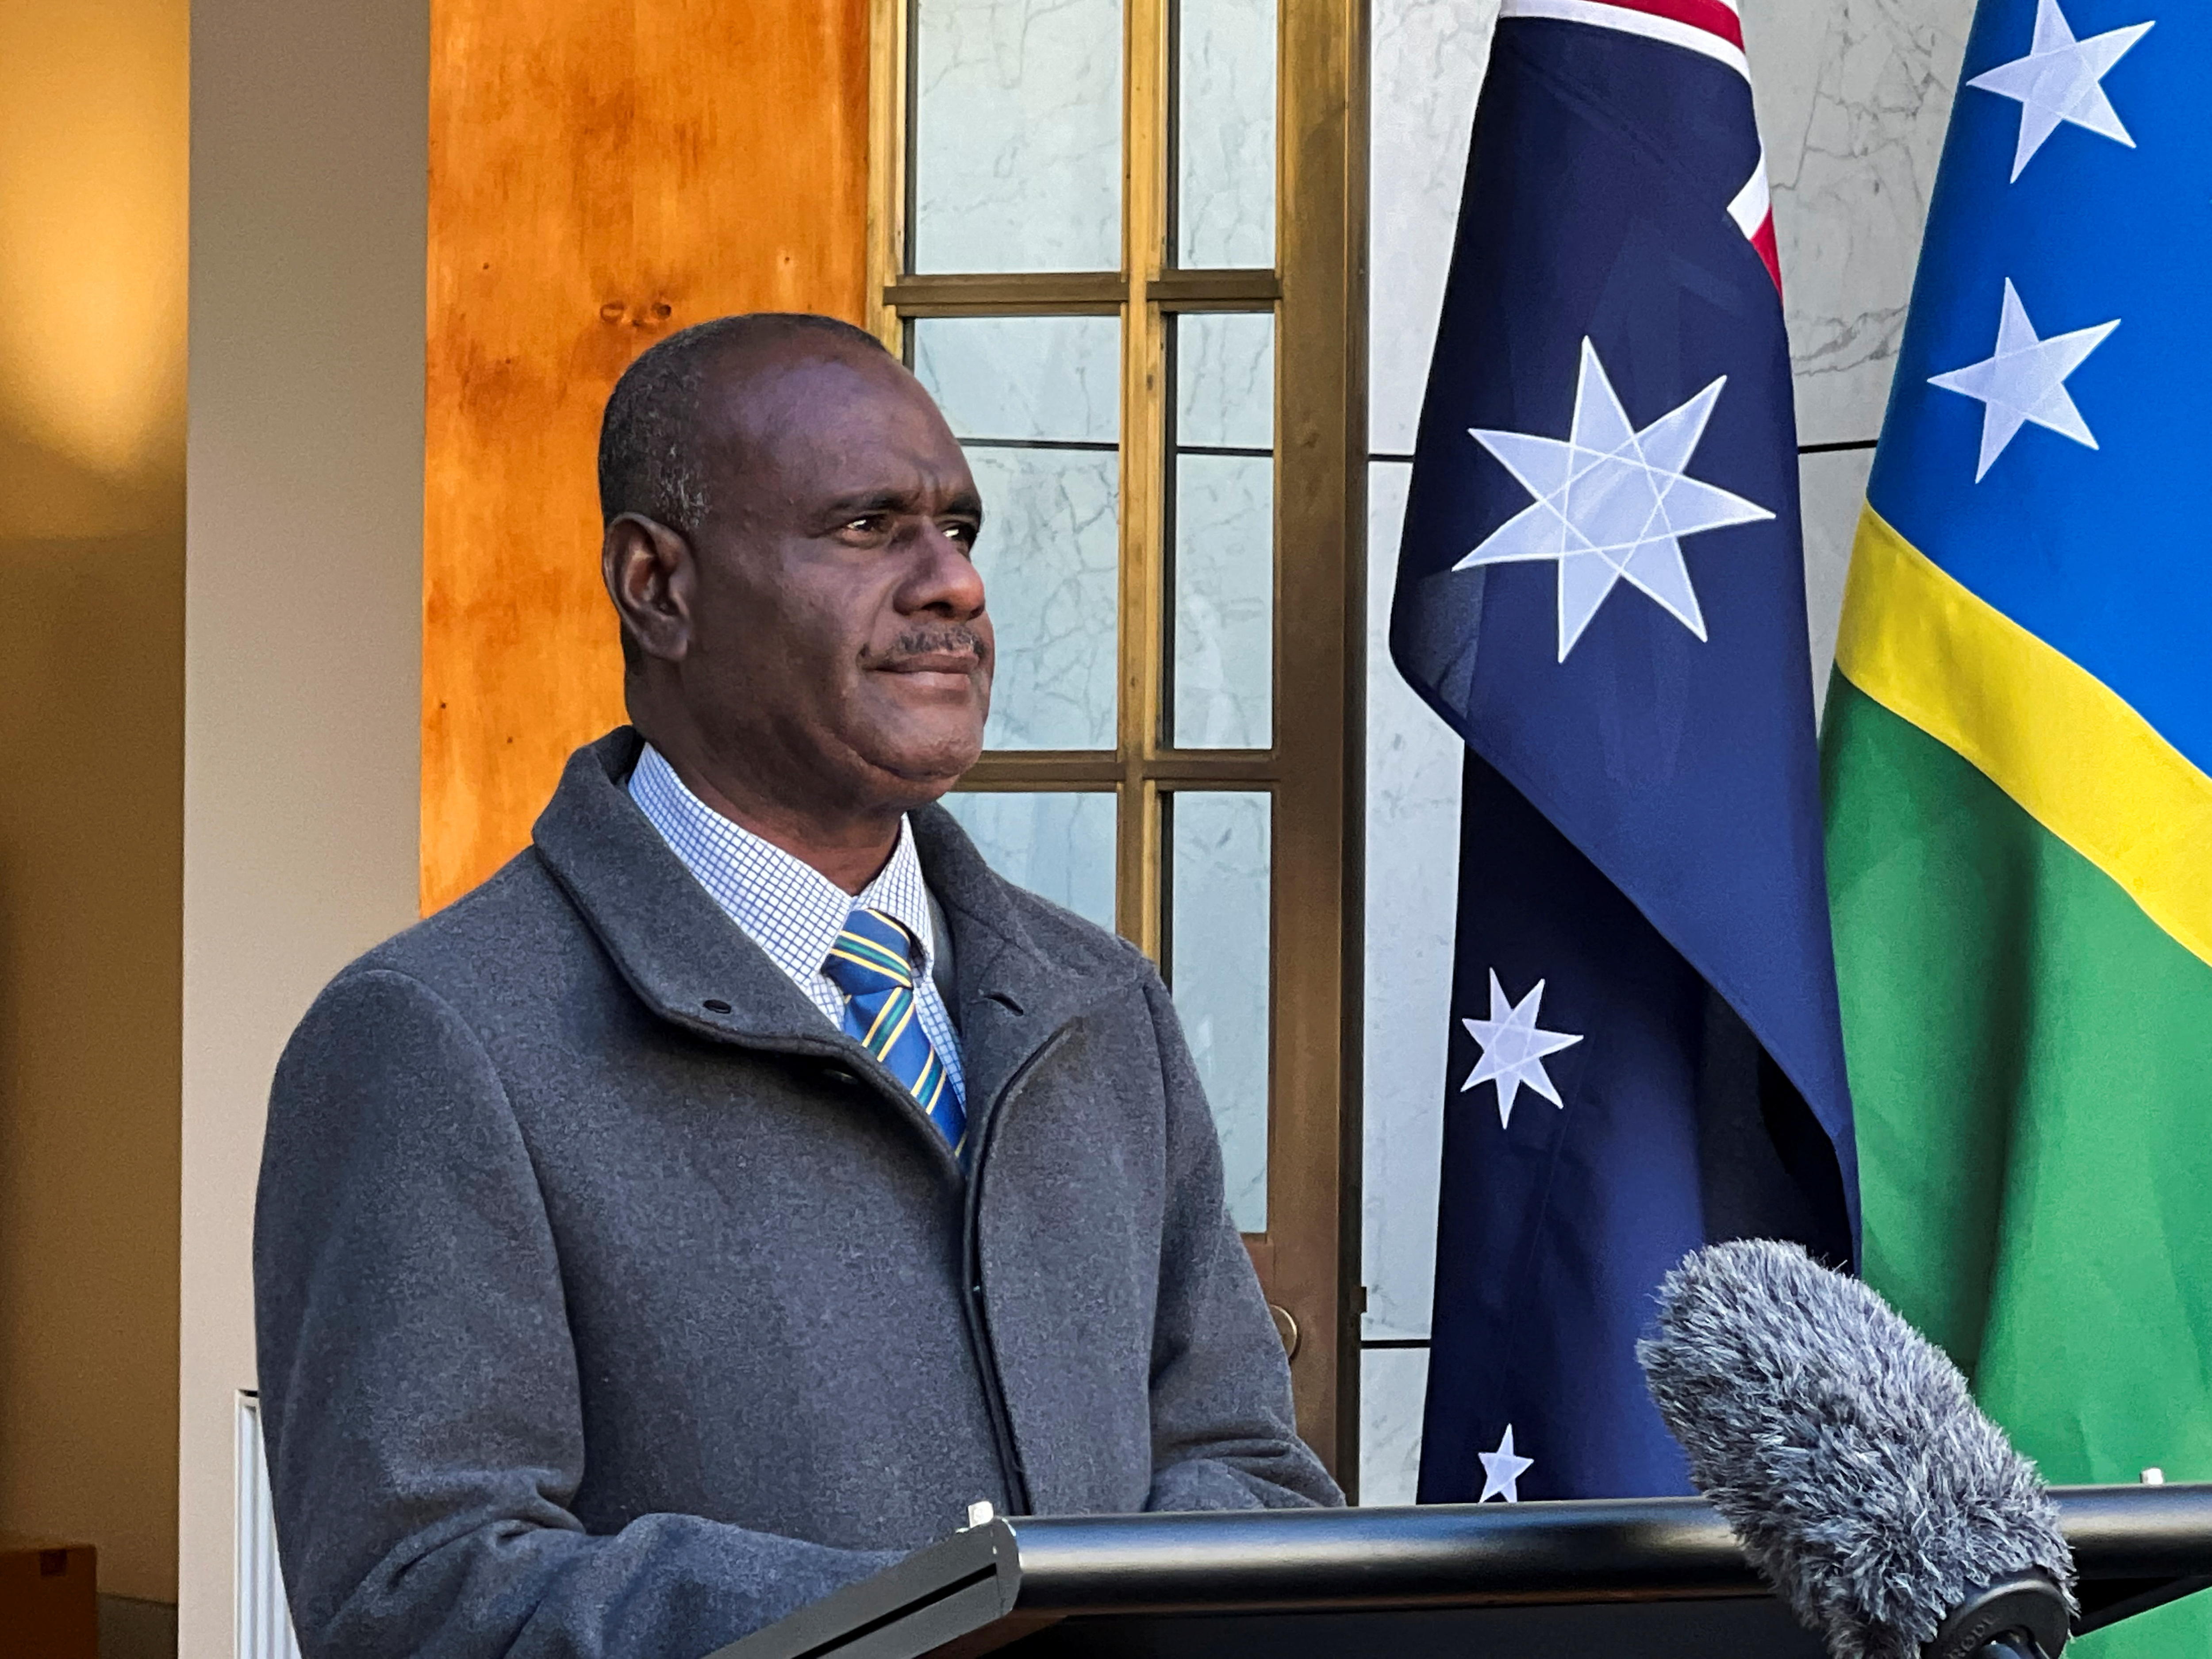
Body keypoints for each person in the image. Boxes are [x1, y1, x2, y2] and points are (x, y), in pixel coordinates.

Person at [252, 312, 1340, 1659]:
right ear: (658, 584)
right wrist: (935, 1623)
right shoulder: (430, 1041)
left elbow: (1247, 1463)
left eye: (960, 528)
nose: (952, 585)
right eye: (868, 526)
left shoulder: (1101, 1005)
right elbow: (418, 1595)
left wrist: (1096, 1606)